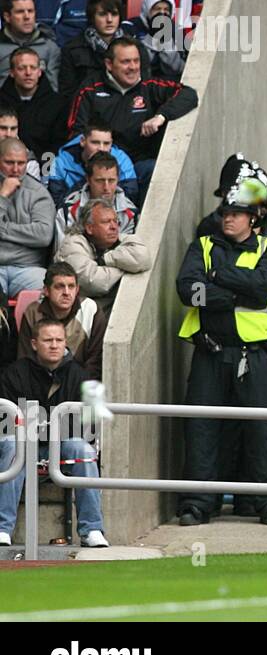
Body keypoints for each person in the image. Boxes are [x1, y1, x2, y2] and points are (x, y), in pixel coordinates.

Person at [175, 180, 267, 526]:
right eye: (225, 212)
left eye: (237, 213)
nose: (228, 219)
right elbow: (188, 291)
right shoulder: (203, 246)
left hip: (255, 355)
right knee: (202, 429)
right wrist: (239, 294)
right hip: (210, 352)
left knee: (263, 429)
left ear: (253, 218)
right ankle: (198, 502)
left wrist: (220, 277)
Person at [0, 318, 110, 548]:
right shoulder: (14, 373)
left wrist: (46, 427)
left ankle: (92, 530)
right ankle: (2, 528)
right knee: (12, 444)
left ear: (65, 343)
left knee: (83, 448)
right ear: (33, 343)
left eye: (59, 340)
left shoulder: (81, 376)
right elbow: (6, 423)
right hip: (24, 444)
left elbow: (89, 426)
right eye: (47, 340)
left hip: (63, 445)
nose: (54, 345)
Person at [67, 36, 197, 195]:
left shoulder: (148, 86)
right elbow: (75, 133)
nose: (133, 67)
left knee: (155, 170)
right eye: (126, 62)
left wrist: (161, 116)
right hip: (101, 168)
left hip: (138, 166)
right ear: (109, 64)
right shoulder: (89, 90)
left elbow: (189, 94)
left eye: (136, 61)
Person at [55, 195, 149, 310]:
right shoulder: (72, 245)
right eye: (106, 222)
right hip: (72, 314)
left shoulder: (116, 239)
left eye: (115, 221)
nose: (114, 227)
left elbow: (143, 257)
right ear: (89, 228)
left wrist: (105, 259)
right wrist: (125, 267)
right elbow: (94, 282)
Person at [16, 261, 105, 378]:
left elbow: (96, 360)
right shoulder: (32, 312)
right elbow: (25, 357)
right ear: (46, 290)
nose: (67, 293)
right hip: (40, 382)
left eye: (71, 286)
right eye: (60, 287)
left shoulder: (91, 309)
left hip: (79, 383)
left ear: (77, 289)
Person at [0, 134, 51, 295]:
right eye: (9, 163)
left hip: (29, 268)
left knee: (48, 293)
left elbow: (43, 235)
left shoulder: (38, 192)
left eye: (21, 163)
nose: (15, 169)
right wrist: (3, 196)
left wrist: (2, 229)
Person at [54, 148, 135, 244]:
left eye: (111, 180)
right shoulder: (68, 209)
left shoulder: (129, 212)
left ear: (118, 179)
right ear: (88, 179)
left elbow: (128, 251)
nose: (106, 187)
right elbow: (64, 251)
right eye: (100, 181)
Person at [0, 46, 64, 164]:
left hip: (42, 169)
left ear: (39, 72)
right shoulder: (1, 100)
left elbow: (57, 146)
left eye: (33, 68)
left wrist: (45, 174)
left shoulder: (57, 104)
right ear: (12, 72)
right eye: (22, 68)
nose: (28, 73)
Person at [47, 121, 136, 203]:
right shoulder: (61, 162)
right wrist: (89, 179)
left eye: (106, 143)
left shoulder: (121, 160)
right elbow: (56, 202)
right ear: (82, 141)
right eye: (95, 142)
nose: (101, 148)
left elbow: (130, 197)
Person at [0, 0, 60, 86]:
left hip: (40, 100)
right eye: (20, 12)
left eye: (30, 11)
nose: (27, 16)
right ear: (7, 17)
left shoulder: (49, 47)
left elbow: (53, 88)